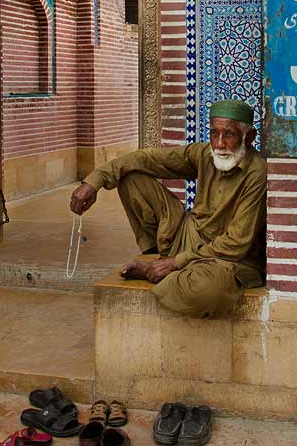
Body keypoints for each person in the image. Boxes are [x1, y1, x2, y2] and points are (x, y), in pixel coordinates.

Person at [69, 99, 266, 318]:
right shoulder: (203, 154)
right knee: (131, 177)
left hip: (224, 260)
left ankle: (156, 271)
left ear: (249, 137)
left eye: (229, 135)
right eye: (214, 133)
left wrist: (175, 263)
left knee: (205, 292)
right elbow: (146, 158)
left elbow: (236, 244)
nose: (219, 144)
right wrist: (93, 182)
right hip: (187, 236)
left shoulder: (257, 173)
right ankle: (160, 261)